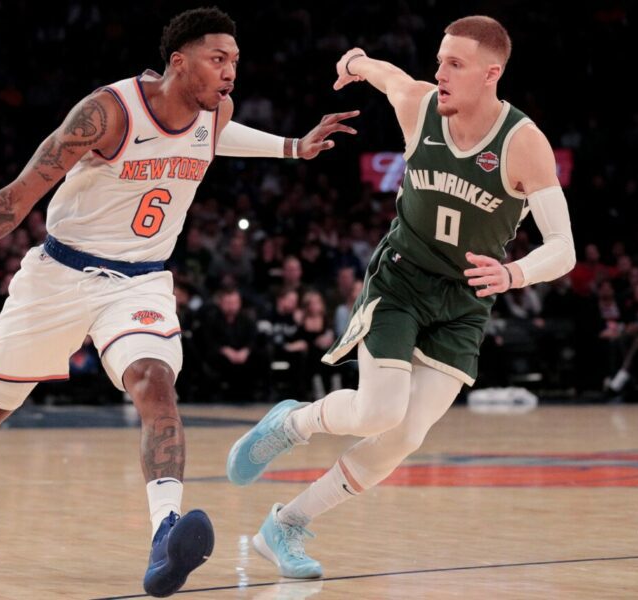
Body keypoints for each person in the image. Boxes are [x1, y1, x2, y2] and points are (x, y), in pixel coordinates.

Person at [0, 7, 357, 597]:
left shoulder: (217, 112)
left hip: (139, 281)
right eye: (218, 60)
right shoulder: (106, 114)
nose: (230, 73)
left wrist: (295, 147)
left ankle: (166, 533)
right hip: (57, 276)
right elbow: (17, 196)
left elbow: (220, 138)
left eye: (235, 62)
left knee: (154, 383)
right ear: (178, 61)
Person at [227, 15, 576, 579]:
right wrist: (355, 61)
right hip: (403, 279)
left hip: (464, 302)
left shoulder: (522, 143)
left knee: (405, 436)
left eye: (454, 64)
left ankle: (285, 524)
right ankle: (290, 424)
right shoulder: (420, 105)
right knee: (379, 411)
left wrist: (514, 275)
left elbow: (564, 249)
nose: (439, 72)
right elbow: (388, 76)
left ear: (491, 75)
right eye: (439, 60)